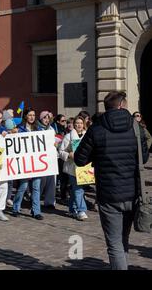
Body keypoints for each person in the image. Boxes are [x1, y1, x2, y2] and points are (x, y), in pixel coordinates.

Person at [74, 91, 149, 270]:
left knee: (115, 243)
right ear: (121, 105)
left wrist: (97, 155)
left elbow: (80, 159)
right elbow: (144, 158)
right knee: (123, 240)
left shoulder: (96, 128)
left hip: (109, 193)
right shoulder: (136, 128)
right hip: (132, 192)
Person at [12, 108, 44, 220]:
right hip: (24, 162)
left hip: (36, 162)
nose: (32, 117)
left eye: (33, 115)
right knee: (23, 186)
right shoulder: (20, 129)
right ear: (25, 116)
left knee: (36, 187)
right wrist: (12, 133)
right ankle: (15, 208)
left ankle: (36, 211)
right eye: (30, 115)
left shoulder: (38, 128)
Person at [59, 116, 89, 221]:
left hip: (85, 167)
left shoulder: (88, 135)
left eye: (81, 123)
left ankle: (72, 209)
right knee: (78, 188)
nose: (78, 125)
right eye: (76, 123)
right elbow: (61, 151)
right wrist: (69, 155)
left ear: (84, 124)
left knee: (75, 189)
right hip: (73, 167)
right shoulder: (69, 136)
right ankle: (81, 210)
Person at [37, 111, 56, 209]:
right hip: (40, 158)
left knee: (52, 180)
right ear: (41, 119)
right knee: (41, 181)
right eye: (44, 118)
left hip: (50, 158)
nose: (46, 120)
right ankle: (36, 200)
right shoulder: (37, 128)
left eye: (48, 118)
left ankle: (50, 201)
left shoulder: (51, 129)